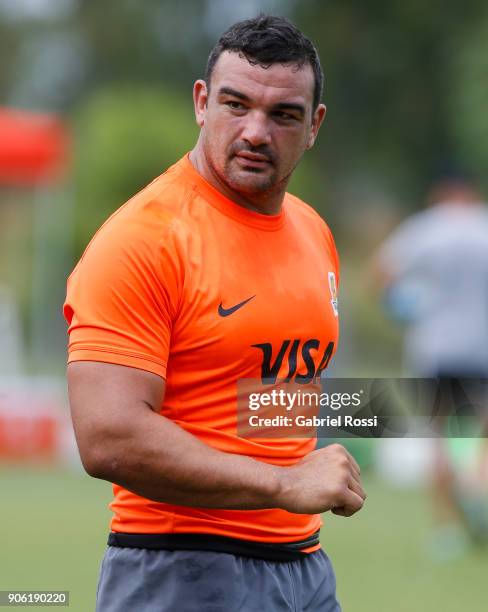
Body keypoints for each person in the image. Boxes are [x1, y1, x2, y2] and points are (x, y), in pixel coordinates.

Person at [64, 15, 366, 611]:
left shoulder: (312, 231)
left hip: (304, 567)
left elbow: (251, 397)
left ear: (314, 127)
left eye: (283, 115)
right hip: (180, 567)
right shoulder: (144, 239)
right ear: (202, 103)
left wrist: (423, 411)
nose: (256, 131)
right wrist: (283, 483)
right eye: (236, 104)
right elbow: (108, 437)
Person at [373, 174, 488, 560]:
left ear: (441, 193)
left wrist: (403, 308)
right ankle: (476, 485)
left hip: (439, 349)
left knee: (440, 439)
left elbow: (382, 273)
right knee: (481, 436)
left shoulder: (426, 228)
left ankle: (447, 530)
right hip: (483, 348)